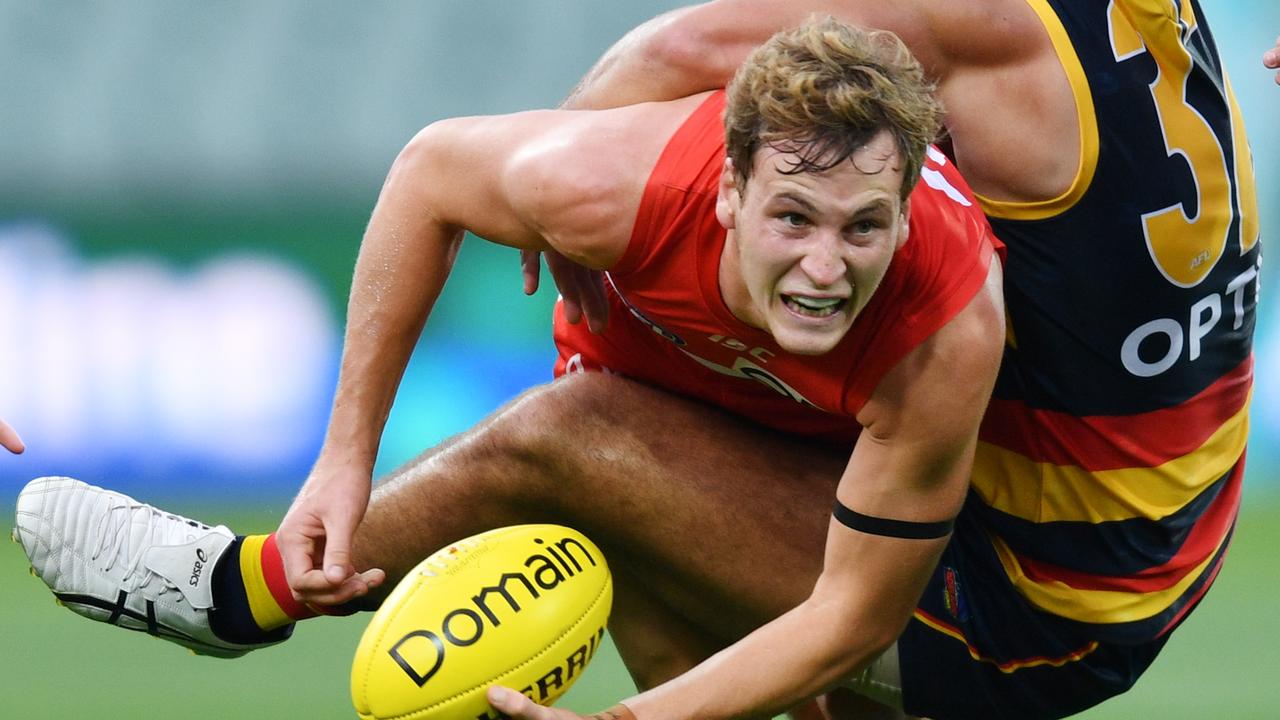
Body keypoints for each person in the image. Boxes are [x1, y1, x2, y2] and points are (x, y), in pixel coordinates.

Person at [14, 19, 1008, 719]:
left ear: (904, 219)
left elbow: (850, 616)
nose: (824, 267)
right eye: (791, 217)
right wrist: (341, 458)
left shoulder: (945, 334)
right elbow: (428, 172)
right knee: (590, 449)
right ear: (728, 194)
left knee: (574, 438)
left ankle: (237, 592)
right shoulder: (599, 189)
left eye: (863, 228)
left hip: (903, 559)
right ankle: (243, 589)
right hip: (691, 423)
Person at [503, 1, 1264, 718]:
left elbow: (679, 49)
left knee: (575, 434)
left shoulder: (977, 21)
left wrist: (559, 174)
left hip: (1039, 597)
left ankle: (374, 552)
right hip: (1179, 537)